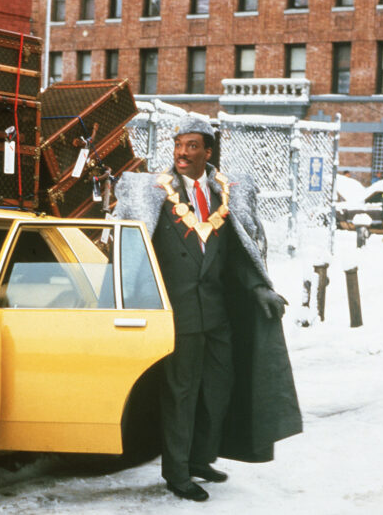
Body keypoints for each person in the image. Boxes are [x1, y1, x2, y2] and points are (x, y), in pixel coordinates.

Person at [113, 116, 302, 502]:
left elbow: (237, 257)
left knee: (217, 388)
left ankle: (200, 458)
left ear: (209, 152)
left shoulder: (223, 196)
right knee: (180, 394)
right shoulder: (155, 194)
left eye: (192, 145)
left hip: (216, 315)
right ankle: (177, 472)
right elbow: (135, 253)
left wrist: (258, 289)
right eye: (179, 144)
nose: (182, 152)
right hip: (177, 315)